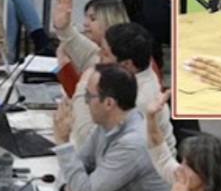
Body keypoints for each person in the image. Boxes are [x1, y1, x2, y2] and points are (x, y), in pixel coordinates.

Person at [53, 63, 172, 191]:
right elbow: (79, 165)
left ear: (108, 103)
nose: (85, 102)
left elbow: (85, 190)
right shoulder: (106, 126)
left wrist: (63, 143)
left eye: (89, 96)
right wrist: (68, 188)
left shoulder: (132, 143)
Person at [58, 21, 175, 151]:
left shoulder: (138, 101)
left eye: (105, 53)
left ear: (126, 64)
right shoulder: (133, 69)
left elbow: (88, 143)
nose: (98, 55)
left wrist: (84, 86)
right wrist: (64, 29)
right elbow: (92, 55)